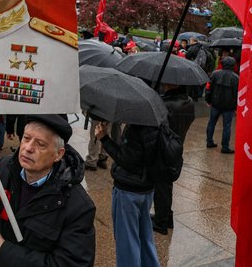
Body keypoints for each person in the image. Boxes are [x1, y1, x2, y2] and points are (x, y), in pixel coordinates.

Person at [0, 114, 96, 266]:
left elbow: (72, 263)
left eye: (40, 144)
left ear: (58, 154)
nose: (28, 148)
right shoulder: (0, 170)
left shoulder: (78, 206)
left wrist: (3, 252)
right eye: (26, 138)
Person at [95, 120, 160, 267]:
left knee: (127, 243)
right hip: (146, 187)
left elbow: (126, 161)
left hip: (128, 190)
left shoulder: (136, 127)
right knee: (145, 237)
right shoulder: (155, 121)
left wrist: (104, 138)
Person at [152, 83, 195, 234]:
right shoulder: (189, 102)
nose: (164, 84)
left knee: (161, 186)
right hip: (177, 146)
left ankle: (160, 222)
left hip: (163, 149)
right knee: (166, 184)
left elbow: (158, 126)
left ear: (175, 84)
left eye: (167, 82)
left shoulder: (167, 105)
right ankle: (166, 216)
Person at [205, 56, 239, 154]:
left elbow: (208, 89)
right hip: (229, 106)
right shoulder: (236, 78)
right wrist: (236, 107)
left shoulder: (215, 74)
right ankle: (225, 146)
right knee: (227, 126)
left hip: (215, 104)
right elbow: (237, 94)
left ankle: (209, 141)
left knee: (211, 123)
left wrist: (208, 100)